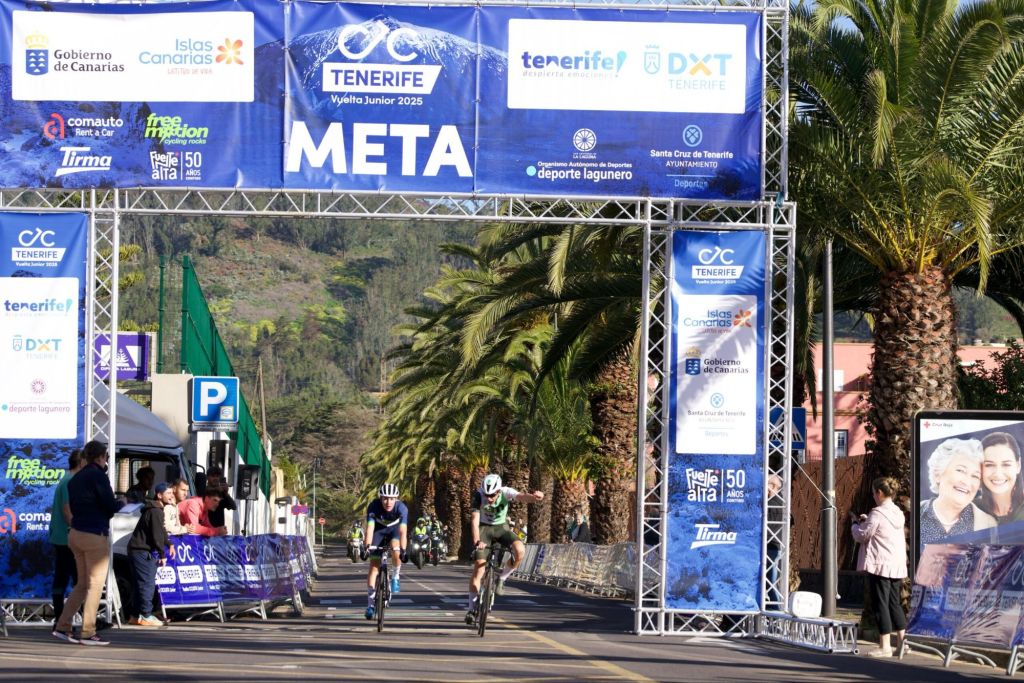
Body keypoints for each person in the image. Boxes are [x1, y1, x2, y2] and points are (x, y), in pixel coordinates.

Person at [53, 440, 123, 646]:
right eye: (106, 457)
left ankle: (63, 625)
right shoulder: (98, 476)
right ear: (101, 457)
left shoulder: (75, 479)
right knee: (95, 585)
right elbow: (109, 506)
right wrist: (122, 503)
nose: (106, 460)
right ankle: (88, 631)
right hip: (94, 534)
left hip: (75, 534)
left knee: (83, 583)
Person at [465, 474, 545, 624]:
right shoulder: (478, 495)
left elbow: (521, 497)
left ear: (499, 491)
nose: (489, 498)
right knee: (479, 568)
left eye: (492, 495)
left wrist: (535, 498)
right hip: (484, 529)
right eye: (486, 495)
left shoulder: (506, 492)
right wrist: (477, 541)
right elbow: (475, 521)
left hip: (501, 528)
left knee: (520, 551)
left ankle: (501, 579)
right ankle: (471, 609)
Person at [851, 477, 908, 658]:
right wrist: (867, 519)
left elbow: (862, 535)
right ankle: (903, 643)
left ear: (880, 493)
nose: (873, 496)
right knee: (894, 603)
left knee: (880, 604)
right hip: (896, 565)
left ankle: (885, 646)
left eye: (874, 493)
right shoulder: (898, 512)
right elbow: (880, 528)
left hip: (880, 564)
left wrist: (855, 524)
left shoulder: (877, 513)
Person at [918, 437, 997, 551]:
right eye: (960, 470)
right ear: (938, 474)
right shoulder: (915, 514)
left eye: (975, 476)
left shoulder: (989, 525)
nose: (967, 482)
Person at [128, 482, 174, 626]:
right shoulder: (155, 511)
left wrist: (169, 544)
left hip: (137, 550)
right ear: (159, 495)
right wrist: (162, 555)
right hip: (141, 551)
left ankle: (135, 616)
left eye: (172, 493)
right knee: (147, 583)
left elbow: (161, 531)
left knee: (139, 584)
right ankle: (146, 615)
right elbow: (157, 535)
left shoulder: (156, 510)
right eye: (168, 493)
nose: (172, 496)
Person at [361, 483, 408, 620]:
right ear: (380, 498)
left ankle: (396, 576)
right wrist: (367, 547)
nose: (388, 502)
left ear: (396, 499)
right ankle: (370, 605)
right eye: (385, 498)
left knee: (396, 549)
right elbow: (370, 528)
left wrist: (403, 550)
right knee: (374, 568)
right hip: (378, 531)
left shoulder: (402, 508)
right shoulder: (373, 506)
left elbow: (403, 531)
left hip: (394, 531)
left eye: (392, 499)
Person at [49, 448, 82, 628]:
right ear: (81, 463)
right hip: (68, 538)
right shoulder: (70, 481)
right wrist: (79, 530)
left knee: (62, 577)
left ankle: (61, 619)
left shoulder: (65, 480)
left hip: (61, 537)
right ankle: (66, 619)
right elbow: (67, 511)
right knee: (78, 580)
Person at [978, 432, 1024, 523]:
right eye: (989, 465)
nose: (998, 474)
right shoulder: (970, 509)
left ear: (1018, 465)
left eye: (1006, 464)